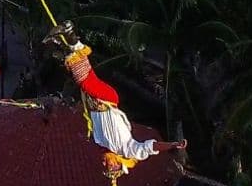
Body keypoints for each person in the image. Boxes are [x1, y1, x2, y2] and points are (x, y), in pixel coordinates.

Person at [58, 27, 186, 176]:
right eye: (110, 165)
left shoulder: (101, 143)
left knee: (86, 74)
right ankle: (69, 33)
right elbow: (151, 147)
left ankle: (64, 43)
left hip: (96, 103)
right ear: (119, 162)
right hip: (107, 100)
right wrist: (172, 145)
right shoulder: (128, 149)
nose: (105, 163)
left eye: (105, 165)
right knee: (84, 80)